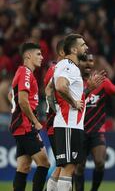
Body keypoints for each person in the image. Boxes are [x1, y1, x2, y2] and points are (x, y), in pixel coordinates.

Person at [74, 54, 115, 191]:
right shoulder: (74, 82)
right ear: (79, 63)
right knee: (79, 166)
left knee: (100, 163)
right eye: (85, 61)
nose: (89, 63)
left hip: (97, 130)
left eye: (91, 60)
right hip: (78, 129)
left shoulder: (102, 81)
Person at [9, 42, 50, 191]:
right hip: (25, 126)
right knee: (44, 164)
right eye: (38, 54)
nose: (42, 57)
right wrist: (35, 121)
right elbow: (22, 100)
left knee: (24, 167)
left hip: (20, 126)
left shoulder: (21, 73)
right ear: (28, 55)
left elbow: (11, 95)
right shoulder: (25, 72)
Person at [53, 34, 88, 191]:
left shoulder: (64, 65)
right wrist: (74, 102)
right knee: (68, 168)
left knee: (65, 168)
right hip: (69, 124)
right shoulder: (69, 66)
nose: (86, 47)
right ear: (74, 49)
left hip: (70, 124)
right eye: (83, 45)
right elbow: (61, 86)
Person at [44, 39, 66, 191]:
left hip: (60, 123)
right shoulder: (55, 69)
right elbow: (48, 91)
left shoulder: (61, 69)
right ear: (63, 52)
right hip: (56, 124)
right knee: (63, 164)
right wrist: (57, 110)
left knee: (64, 164)